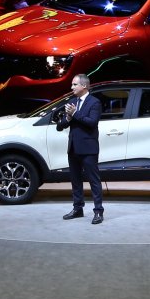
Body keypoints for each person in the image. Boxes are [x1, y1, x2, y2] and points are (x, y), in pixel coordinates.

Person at [56, 74, 103, 224]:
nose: (72, 88)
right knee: (76, 181)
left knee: (94, 181)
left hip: (88, 149)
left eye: (74, 84)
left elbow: (91, 122)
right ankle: (78, 209)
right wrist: (68, 118)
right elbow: (60, 126)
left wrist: (75, 114)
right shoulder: (72, 102)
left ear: (84, 86)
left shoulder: (94, 102)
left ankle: (98, 211)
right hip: (73, 148)